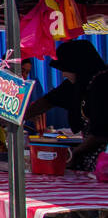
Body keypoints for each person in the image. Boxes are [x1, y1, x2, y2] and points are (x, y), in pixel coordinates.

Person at [25, 39, 108, 170]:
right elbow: (49, 100)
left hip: (103, 161)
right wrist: (19, 117)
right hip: (91, 159)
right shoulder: (79, 82)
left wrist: (75, 154)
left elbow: (100, 133)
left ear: (77, 66)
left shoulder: (102, 84)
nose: (63, 74)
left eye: (65, 69)